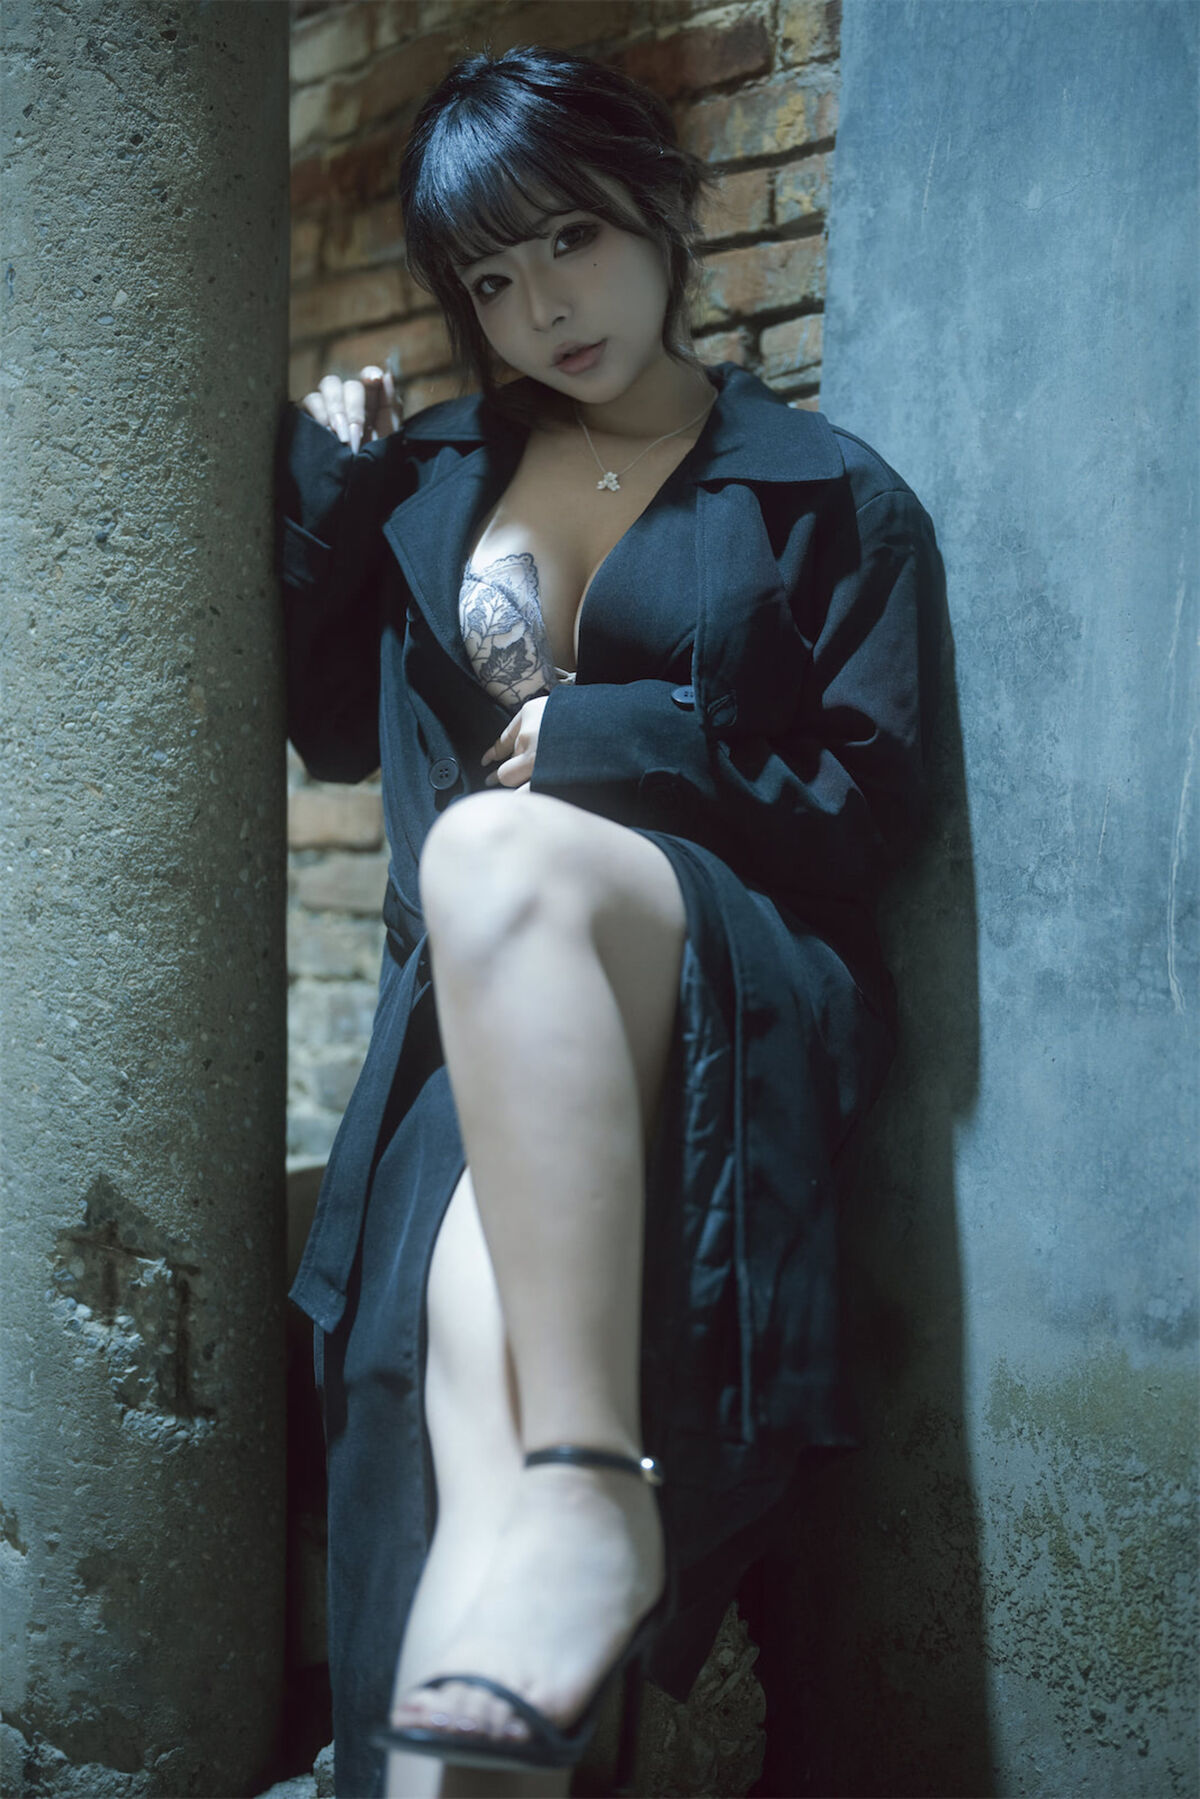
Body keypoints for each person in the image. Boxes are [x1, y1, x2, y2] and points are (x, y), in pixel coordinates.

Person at [279, 43, 941, 1799]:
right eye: (492, 279)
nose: (541, 306)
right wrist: (331, 488)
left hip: (721, 976)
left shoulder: (828, 497)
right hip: (483, 1013)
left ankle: (590, 1496)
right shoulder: (435, 478)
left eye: (570, 238)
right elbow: (334, 732)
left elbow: (871, 816)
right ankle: (468, 1722)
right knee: (439, 1404)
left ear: (659, 207)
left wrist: (626, 740)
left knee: (500, 853)